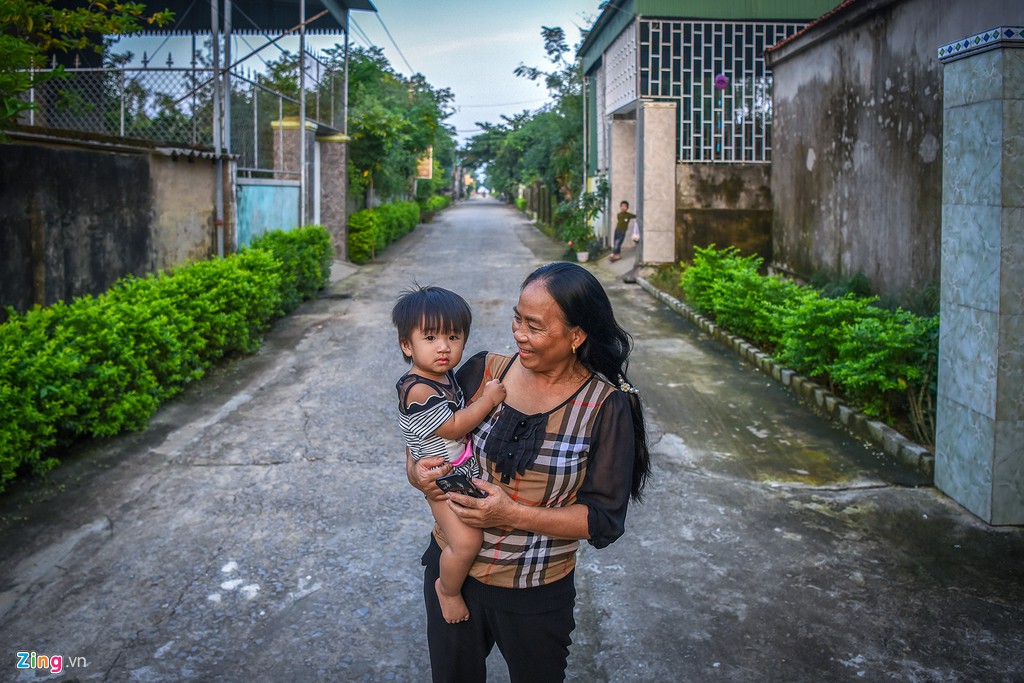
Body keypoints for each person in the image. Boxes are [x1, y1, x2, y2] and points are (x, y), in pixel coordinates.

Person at [406, 262, 652, 682]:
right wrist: (416, 473)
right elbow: (426, 435)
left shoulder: (605, 407)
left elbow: (603, 520)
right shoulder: (484, 372)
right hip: (453, 575)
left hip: (534, 593)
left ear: (576, 336)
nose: (519, 333)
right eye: (517, 318)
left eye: (534, 326)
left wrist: (512, 514)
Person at [393, 286, 507, 625]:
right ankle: (448, 590)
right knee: (467, 541)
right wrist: (488, 400)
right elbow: (454, 426)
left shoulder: (440, 375)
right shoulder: (419, 389)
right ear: (407, 345)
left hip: (455, 468)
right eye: (430, 337)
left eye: (453, 337)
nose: (444, 346)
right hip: (441, 479)